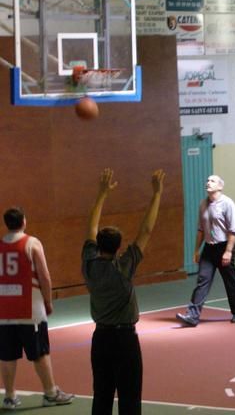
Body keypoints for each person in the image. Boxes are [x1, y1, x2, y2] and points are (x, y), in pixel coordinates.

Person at [82, 168, 165, 415]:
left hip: (101, 339)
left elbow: (91, 226)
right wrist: (157, 194)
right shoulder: (124, 267)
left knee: (102, 396)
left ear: (98, 245)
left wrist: (101, 194)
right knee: (130, 399)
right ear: (119, 248)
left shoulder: (89, 264)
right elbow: (146, 231)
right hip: (125, 340)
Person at [0, 207, 74, 409]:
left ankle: (9, 396)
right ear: (24, 221)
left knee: (7, 355)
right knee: (39, 352)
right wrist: (48, 300)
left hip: (4, 309)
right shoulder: (31, 243)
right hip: (29, 307)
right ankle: (50, 393)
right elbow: (44, 275)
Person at [176, 175, 235, 326]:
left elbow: (233, 231)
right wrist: (196, 250)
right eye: (207, 180)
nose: (208, 183)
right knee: (202, 280)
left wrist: (228, 251)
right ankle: (192, 316)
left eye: (212, 181)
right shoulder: (203, 204)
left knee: (230, 281)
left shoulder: (227, 204)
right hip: (208, 248)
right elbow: (201, 229)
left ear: (220, 187)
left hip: (224, 246)